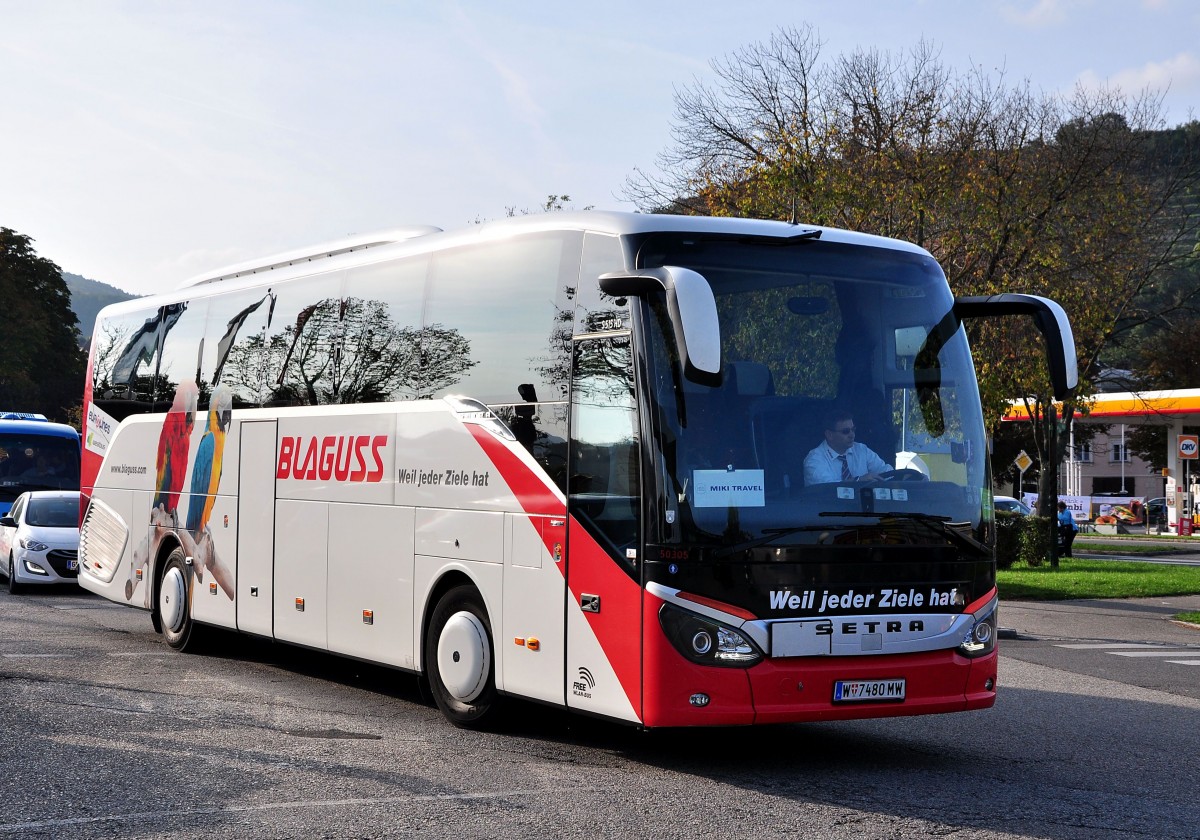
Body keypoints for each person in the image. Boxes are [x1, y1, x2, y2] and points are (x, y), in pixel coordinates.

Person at [804, 410, 892, 485]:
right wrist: (858, 481)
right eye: (845, 431)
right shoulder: (814, 459)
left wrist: (902, 476)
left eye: (853, 430)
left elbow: (886, 472)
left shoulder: (862, 450)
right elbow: (827, 488)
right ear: (829, 435)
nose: (852, 435)